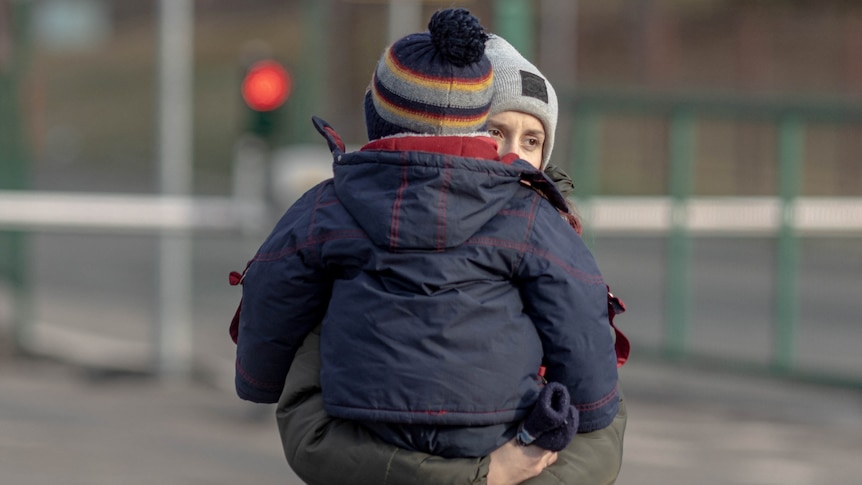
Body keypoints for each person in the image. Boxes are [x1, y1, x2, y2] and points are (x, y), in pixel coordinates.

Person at [232, 9, 627, 483]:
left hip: (376, 419)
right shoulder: (532, 223)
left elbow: (272, 283)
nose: (514, 155)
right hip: (472, 433)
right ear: (470, 132)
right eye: (497, 133)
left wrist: (257, 378)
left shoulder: (332, 204)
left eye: (534, 139)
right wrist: (489, 475)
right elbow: (584, 331)